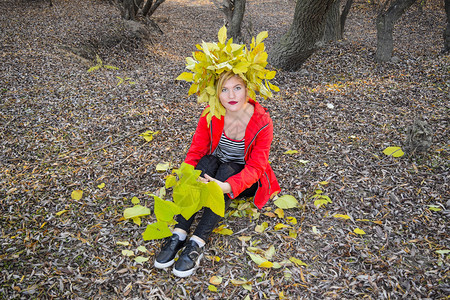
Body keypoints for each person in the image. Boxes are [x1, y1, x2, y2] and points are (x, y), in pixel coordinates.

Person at [153, 27, 280, 278]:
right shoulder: (211, 113)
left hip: (242, 177)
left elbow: (256, 168)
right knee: (208, 161)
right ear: (215, 91)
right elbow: (197, 149)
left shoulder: (262, 121)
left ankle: (196, 243)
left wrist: (225, 187)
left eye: (237, 88)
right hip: (216, 166)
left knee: (226, 169)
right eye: (224, 89)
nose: (231, 95)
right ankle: (179, 233)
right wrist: (187, 175)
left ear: (248, 88)